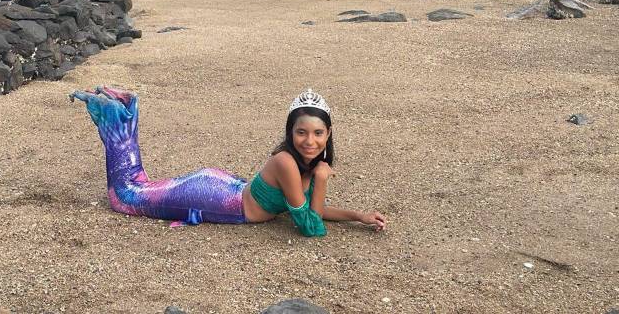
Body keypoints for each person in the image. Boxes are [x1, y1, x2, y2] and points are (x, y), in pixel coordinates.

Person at [69, 86, 386, 237]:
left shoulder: (308, 163)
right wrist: (323, 179)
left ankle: (123, 111)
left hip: (224, 187)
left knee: (143, 188)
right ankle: (119, 113)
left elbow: (303, 208)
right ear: (290, 133)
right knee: (127, 197)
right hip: (219, 199)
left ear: (328, 134)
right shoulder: (289, 162)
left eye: (318, 133)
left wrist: (358, 216)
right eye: (301, 132)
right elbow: (311, 226)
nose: (310, 140)